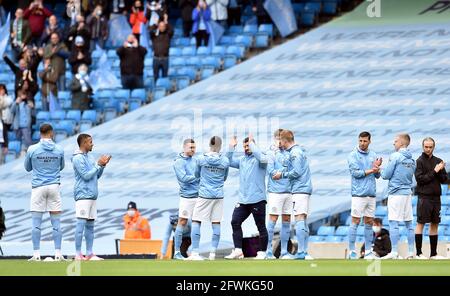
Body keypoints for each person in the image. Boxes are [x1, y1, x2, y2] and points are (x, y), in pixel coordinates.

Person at [24, 123, 65, 261]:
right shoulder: (59, 149)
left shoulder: (32, 149)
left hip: (38, 188)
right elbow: (62, 167)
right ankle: (58, 254)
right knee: (56, 223)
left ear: (40, 133)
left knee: (36, 223)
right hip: (54, 186)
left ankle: (36, 255)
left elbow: (27, 168)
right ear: (51, 133)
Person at [224, 135, 268, 260]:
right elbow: (227, 162)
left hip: (257, 199)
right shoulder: (242, 160)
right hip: (243, 200)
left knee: (260, 226)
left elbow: (262, 158)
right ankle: (238, 250)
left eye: (248, 145)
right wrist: (231, 147)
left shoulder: (261, 159)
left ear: (254, 146)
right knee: (235, 222)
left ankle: (262, 252)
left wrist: (253, 144)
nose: (246, 148)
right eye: (244, 146)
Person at [187, 136, 230, 260]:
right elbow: (224, 178)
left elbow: (196, 174)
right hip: (218, 195)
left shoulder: (201, 159)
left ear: (209, 145)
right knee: (216, 223)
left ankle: (195, 253)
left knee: (196, 220)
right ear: (220, 146)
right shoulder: (225, 161)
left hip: (205, 194)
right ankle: (212, 253)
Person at [272, 130, 313, 260]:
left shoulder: (295, 153)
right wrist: (282, 171)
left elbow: (297, 172)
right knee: (303, 219)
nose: (280, 144)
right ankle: (304, 251)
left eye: (281, 141)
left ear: (284, 141)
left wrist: (282, 175)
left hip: (299, 189)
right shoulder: (296, 151)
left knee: (300, 218)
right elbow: (291, 168)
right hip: (303, 189)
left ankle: (301, 252)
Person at [72, 133, 111, 261]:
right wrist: (97, 165)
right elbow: (86, 175)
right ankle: (78, 253)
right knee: (81, 224)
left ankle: (89, 253)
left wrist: (102, 166)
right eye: (90, 142)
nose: (92, 144)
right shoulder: (77, 158)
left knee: (90, 226)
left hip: (92, 196)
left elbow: (96, 175)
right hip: (83, 195)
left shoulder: (90, 156)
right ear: (83, 143)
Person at [347, 131, 382, 259]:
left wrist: (377, 168)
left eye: (365, 141)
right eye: (360, 141)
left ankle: (368, 251)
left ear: (369, 141)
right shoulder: (352, 155)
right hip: (358, 194)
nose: (362, 143)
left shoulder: (373, 154)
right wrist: (372, 170)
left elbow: (377, 175)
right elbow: (356, 173)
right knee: (355, 221)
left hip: (371, 194)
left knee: (369, 222)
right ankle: (352, 251)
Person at [381, 133, 416, 260]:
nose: (393, 143)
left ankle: (394, 252)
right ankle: (411, 252)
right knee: (409, 223)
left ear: (402, 143)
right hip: (407, 193)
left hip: (396, 193)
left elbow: (386, 175)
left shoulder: (395, 156)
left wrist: (378, 170)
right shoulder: (412, 160)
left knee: (393, 222)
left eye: (395, 141)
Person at [415, 137, 448, 259]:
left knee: (435, 224)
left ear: (433, 147)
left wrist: (439, 171)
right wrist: (434, 171)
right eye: (426, 147)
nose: (428, 149)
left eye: (430, 147)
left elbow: (444, 179)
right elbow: (420, 179)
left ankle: (433, 253)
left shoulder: (438, 161)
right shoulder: (419, 161)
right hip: (424, 197)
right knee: (421, 223)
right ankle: (419, 253)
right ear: (423, 147)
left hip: (436, 197)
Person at [265, 129, 292, 259]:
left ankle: (284, 252)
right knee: (273, 220)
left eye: (283, 139)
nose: (280, 142)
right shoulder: (271, 153)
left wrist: (281, 172)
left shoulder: (291, 152)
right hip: (275, 192)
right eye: (279, 139)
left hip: (289, 191)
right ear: (275, 139)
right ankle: (268, 251)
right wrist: (286, 171)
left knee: (287, 220)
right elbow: (271, 171)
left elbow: (295, 170)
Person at [172, 138, 199, 260]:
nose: (193, 150)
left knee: (197, 222)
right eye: (191, 147)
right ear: (184, 148)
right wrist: (198, 176)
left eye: (194, 147)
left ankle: (195, 253)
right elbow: (183, 178)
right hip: (186, 197)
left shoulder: (196, 160)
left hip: (198, 196)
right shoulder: (178, 162)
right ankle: (177, 252)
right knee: (182, 222)